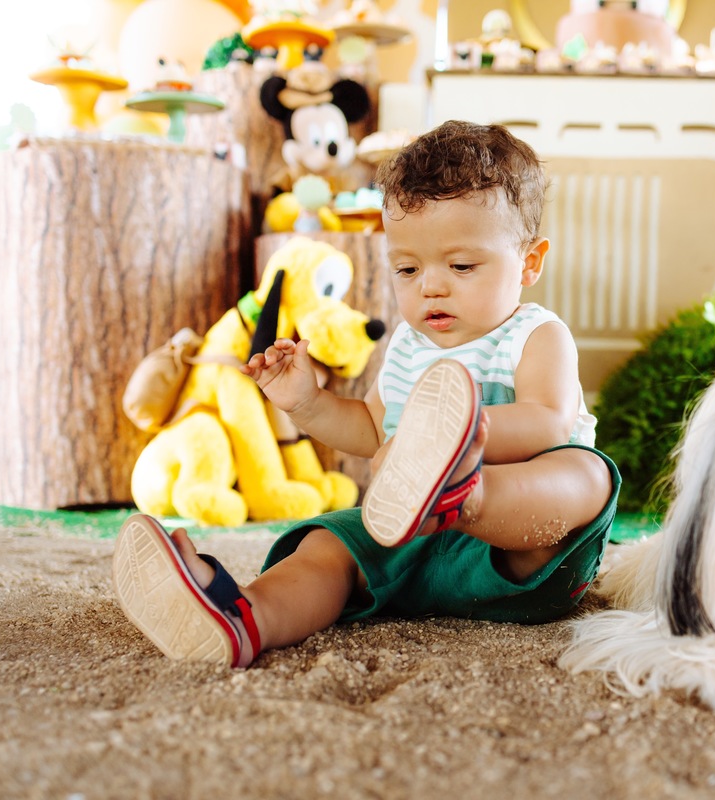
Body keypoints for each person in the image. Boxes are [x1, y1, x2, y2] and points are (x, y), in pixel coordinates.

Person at [112, 120, 621, 668]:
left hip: (519, 549)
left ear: (529, 262)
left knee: (586, 474)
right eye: (407, 268)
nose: (431, 285)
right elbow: (373, 428)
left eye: (461, 266)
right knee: (329, 546)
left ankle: (460, 496)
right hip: (409, 546)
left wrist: (455, 441)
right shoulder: (409, 345)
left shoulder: (535, 334)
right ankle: (243, 615)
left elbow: (547, 422)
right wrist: (307, 403)